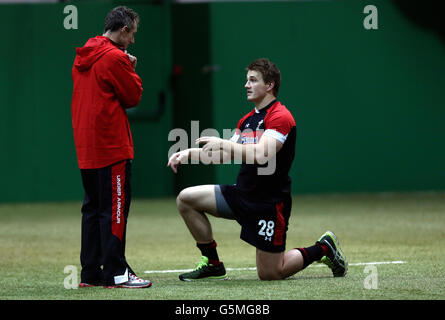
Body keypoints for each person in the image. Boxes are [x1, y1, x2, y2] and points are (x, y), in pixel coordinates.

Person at [167, 58, 348, 281]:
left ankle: (324, 248)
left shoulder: (280, 117)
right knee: (186, 199)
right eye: (247, 80)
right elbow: (225, 154)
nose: (246, 85)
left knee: (271, 273)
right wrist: (189, 154)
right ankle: (212, 264)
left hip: (267, 204)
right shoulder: (248, 120)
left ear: (270, 85)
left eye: (253, 80)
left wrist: (224, 143)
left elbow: (262, 153)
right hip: (241, 195)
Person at [71, 6, 151, 288]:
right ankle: (117, 272)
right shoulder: (115, 58)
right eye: (132, 35)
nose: (132, 41)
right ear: (124, 30)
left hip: (87, 148)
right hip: (111, 147)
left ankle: (91, 273)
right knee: (115, 210)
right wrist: (129, 65)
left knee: (92, 210)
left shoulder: (83, 56)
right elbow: (133, 96)